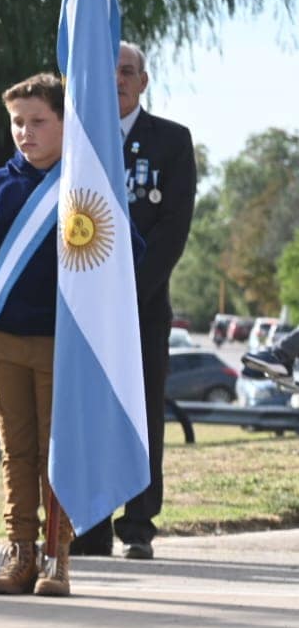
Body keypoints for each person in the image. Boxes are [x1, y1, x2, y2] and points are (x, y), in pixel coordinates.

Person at [72, 41, 196, 560]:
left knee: (142, 412)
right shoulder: (78, 138)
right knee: (88, 415)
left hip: (142, 309)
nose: (117, 79)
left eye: (127, 71)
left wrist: (126, 294)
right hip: (84, 309)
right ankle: (90, 525)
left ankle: (139, 524)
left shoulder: (171, 141)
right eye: (108, 70)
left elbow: (173, 229)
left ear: (143, 81)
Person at [0, 73, 72, 597]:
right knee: (16, 449)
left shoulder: (84, 186)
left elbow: (126, 257)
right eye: (17, 122)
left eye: (38, 122)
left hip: (63, 343)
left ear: (65, 122)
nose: (25, 133)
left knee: (59, 451)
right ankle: (19, 552)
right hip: (5, 340)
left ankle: (57, 556)